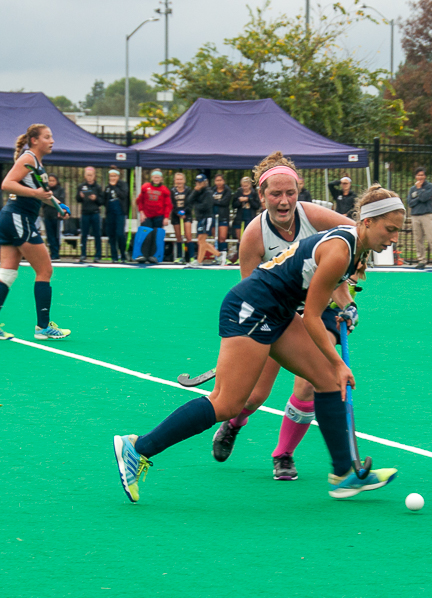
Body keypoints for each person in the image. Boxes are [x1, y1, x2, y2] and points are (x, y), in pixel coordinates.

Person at [113, 176, 405, 503]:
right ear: (367, 222)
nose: (394, 238)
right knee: (227, 403)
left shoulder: (351, 246)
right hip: (251, 309)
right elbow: (310, 316)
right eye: (390, 230)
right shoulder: (341, 251)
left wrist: (347, 306)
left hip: (277, 311)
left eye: (398, 231)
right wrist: (337, 362)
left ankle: (344, 475)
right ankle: (137, 447)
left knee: (325, 382)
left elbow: (326, 288)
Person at [211, 153, 356, 480]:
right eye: (276, 194)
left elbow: (356, 238)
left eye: (290, 193)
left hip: (316, 314)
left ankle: (284, 454)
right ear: (262, 196)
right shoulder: (254, 236)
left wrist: (347, 296)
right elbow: (254, 293)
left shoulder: (314, 216)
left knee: (310, 385)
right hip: (275, 314)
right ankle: (234, 422)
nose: (284, 200)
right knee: (254, 395)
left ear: (298, 190)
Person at [0, 124, 71, 341]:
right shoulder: (28, 158)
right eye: (47, 137)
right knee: (45, 270)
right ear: (34, 140)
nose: (52, 141)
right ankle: (42, 328)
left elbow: (43, 194)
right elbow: (7, 184)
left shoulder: (36, 162)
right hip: (18, 218)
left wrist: (59, 205)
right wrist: (36, 193)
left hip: (11, 219)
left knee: (7, 272)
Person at [407, 167, 432, 269]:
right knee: (418, 240)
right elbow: (410, 203)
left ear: (425, 176)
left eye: (422, 175)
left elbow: (424, 197)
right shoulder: (412, 189)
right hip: (415, 216)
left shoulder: (430, 186)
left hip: (426, 215)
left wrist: (418, 191)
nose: (420, 177)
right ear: (415, 176)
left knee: (431, 239)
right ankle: (421, 261)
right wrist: (418, 196)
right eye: (418, 175)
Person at [135, 170, 172, 264]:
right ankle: (142, 255)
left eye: (158, 177)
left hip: (159, 216)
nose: (156, 179)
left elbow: (168, 205)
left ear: (161, 179)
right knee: (145, 235)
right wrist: (141, 213)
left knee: (157, 236)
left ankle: (154, 256)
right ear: (152, 178)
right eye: (155, 177)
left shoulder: (164, 190)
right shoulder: (145, 187)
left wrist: (166, 217)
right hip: (147, 216)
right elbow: (139, 201)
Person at [188, 174, 219, 266]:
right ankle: (219, 255)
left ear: (205, 182)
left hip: (206, 218)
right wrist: (195, 191)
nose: (198, 184)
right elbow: (189, 200)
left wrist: (195, 207)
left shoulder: (208, 192)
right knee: (200, 241)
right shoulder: (198, 192)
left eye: (200, 182)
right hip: (200, 218)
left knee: (201, 240)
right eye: (197, 182)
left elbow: (206, 206)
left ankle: (199, 261)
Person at [229, 176, 260, 263]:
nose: (244, 188)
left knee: (249, 240)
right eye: (243, 186)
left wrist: (248, 199)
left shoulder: (254, 193)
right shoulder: (238, 192)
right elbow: (233, 204)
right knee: (240, 239)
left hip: (250, 218)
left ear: (250, 185)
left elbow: (257, 205)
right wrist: (239, 201)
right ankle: (239, 257)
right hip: (239, 218)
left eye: (246, 186)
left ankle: (250, 258)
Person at [76, 166, 104, 263]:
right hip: (85, 214)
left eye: (91, 175)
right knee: (84, 235)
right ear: (85, 175)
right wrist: (81, 196)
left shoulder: (98, 187)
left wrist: (95, 198)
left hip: (95, 213)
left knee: (97, 235)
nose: (89, 177)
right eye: (88, 175)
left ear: (94, 176)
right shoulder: (81, 186)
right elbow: (77, 199)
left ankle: (98, 255)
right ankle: (83, 254)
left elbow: (101, 201)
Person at [103, 169, 129, 263]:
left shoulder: (123, 185)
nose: (112, 178)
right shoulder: (107, 187)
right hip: (110, 214)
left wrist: (115, 187)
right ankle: (114, 256)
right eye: (111, 176)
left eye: (114, 176)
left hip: (120, 214)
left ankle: (123, 254)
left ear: (118, 177)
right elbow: (104, 200)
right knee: (111, 235)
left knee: (120, 234)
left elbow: (124, 195)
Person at [170, 173, 192, 264]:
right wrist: (177, 212)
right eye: (177, 180)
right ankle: (180, 256)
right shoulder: (172, 191)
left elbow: (190, 202)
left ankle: (191, 257)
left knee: (188, 236)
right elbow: (171, 203)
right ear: (175, 181)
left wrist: (184, 212)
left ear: (184, 181)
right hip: (176, 215)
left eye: (180, 179)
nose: (179, 181)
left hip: (186, 215)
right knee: (178, 237)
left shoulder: (188, 190)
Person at [41, 173, 65, 261]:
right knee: (49, 235)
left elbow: (61, 201)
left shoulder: (60, 190)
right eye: (49, 180)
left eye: (53, 180)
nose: (51, 182)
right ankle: (52, 253)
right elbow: (42, 202)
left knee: (57, 235)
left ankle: (56, 253)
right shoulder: (45, 190)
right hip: (47, 215)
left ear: (56, 181)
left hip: (57, 216)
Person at [212, 173, 233, 266]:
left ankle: (224, 257)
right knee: (215, 237)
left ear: (223, 181)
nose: (219, 182)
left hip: (223, 216)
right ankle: (217, 256)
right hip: (213, 216)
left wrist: (216, 201)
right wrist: (217, 202)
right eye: (217, 180)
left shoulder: (227, 191)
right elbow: (209, 201)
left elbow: (225, 202)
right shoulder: (212, 190)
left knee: (222, 237)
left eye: (220, 180)